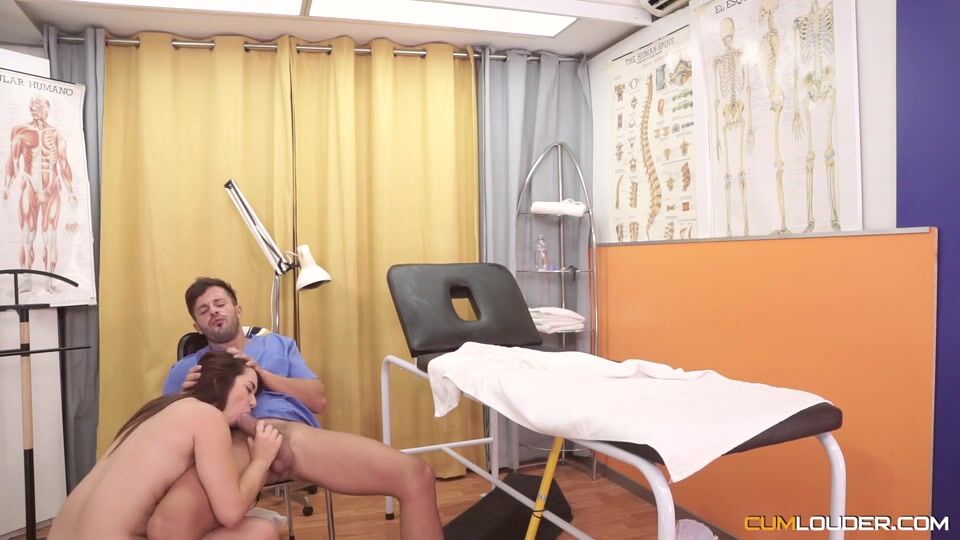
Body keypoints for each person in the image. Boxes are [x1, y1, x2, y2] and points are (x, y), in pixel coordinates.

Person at [148, 277, 442, 540]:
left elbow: (318, 400)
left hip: (291, 436)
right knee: (169, 526)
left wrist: (263, 375)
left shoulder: (278, 345)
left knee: (417, 476)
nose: (213, 311)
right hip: (229, 447)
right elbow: (161, 439)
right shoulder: (186, 369)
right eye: (203, 310)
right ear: (196, 326)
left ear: (237, 310)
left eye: (219, 303)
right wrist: (184, 397)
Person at [49, 351, 282, 540]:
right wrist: (261, 460)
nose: (253, 402)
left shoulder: (159, 409)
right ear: (219, 380)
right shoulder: (209, 417)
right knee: (261, 531)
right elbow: (230, 512)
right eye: (249, 389)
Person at [3, 96, 78, 292]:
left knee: (50, 237)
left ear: (47, 109)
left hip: (51, 189)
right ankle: (26, 280)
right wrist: (7, 186)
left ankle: (49, 282)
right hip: (29, 187)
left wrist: (71, 190)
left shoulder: (56, 134)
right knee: (27, 236)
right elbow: (13, 161)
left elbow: (63, 163)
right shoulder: (20, 131)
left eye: (39, 106)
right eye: (32, 107)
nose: (35, 109)